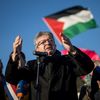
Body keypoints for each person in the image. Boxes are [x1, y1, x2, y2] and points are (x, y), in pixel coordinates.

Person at [5, 31, 94, 100]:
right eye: (43, 42)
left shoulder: (67, 60)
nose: (47, 43)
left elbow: (88, 67)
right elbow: (12, 78)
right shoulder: (32, 65)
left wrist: (72, 49)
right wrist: (15, 54)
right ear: (37, 48)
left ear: (55, 45)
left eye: (50, 40)